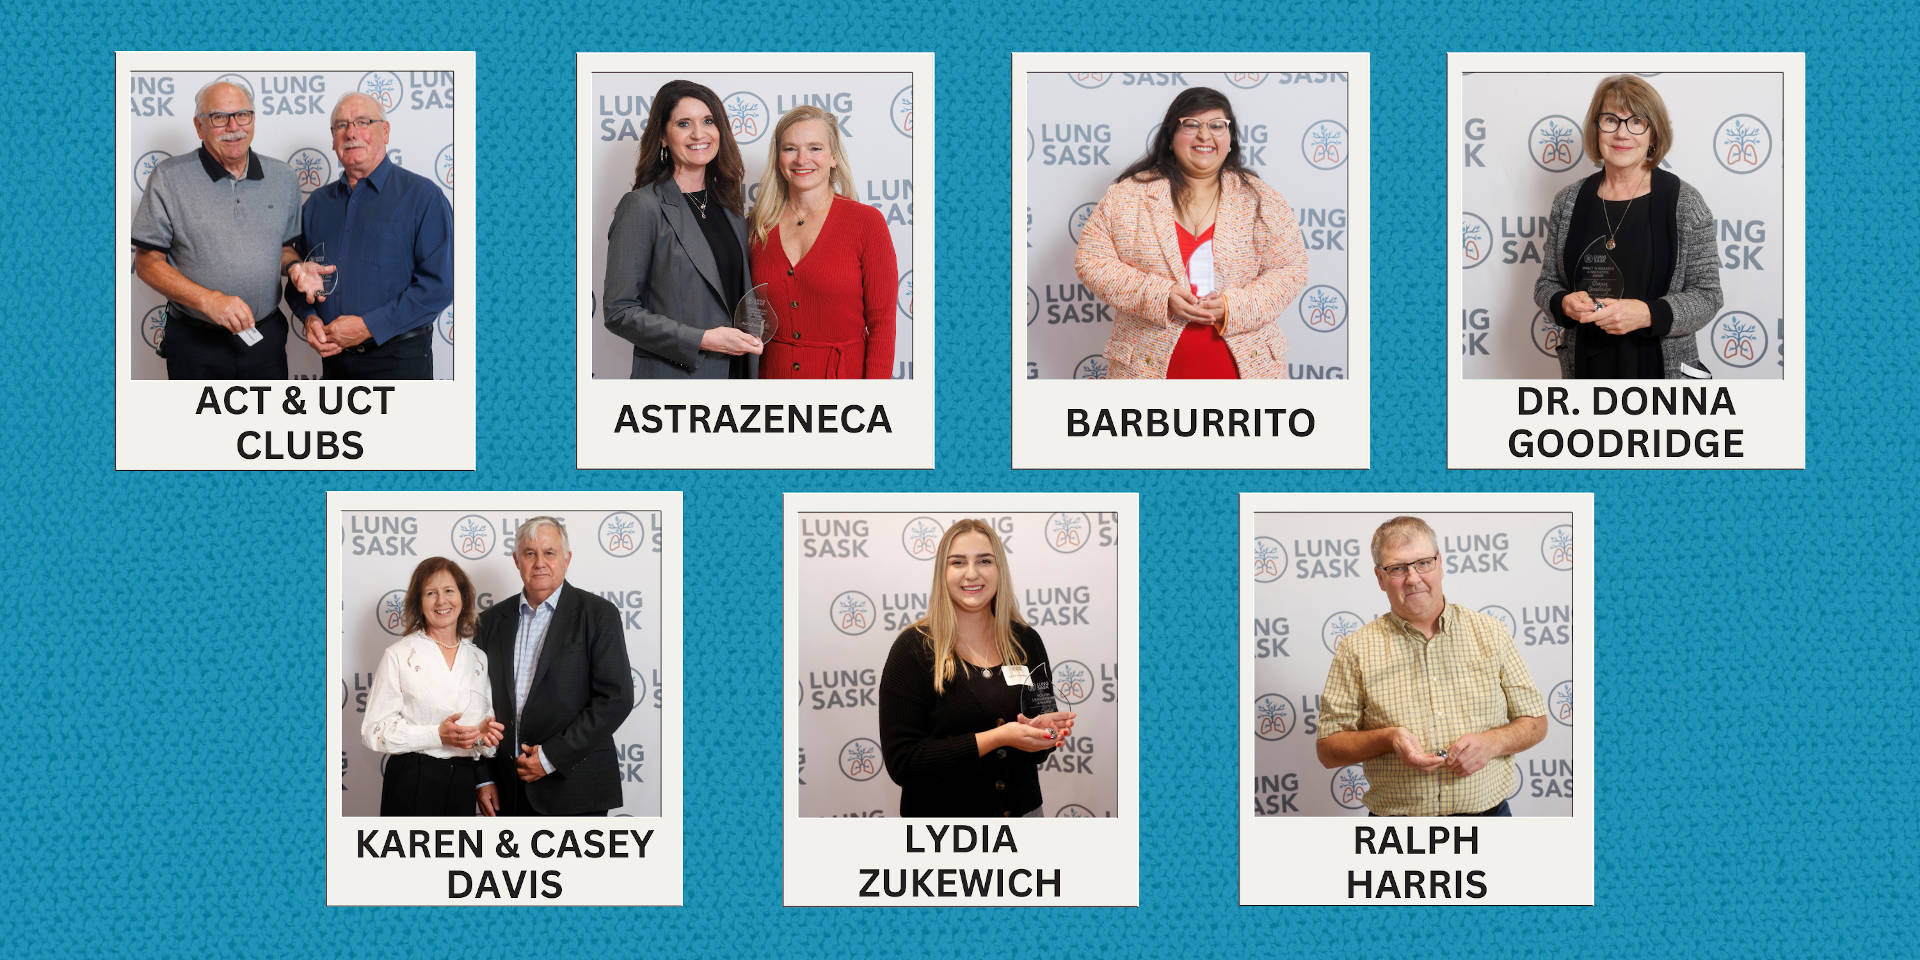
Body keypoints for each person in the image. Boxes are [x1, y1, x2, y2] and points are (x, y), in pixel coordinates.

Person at [1315, 517, 1548, 816]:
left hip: (1490, 820)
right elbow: (1328, 749)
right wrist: (1389, 738)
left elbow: (1536, 722)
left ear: (1440, 564)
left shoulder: (1490, 632)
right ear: (1380, 577)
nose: (1413, 578)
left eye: (1423, 563)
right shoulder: (1355, 649)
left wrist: (1492, 743)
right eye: (1397, 568)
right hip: (1397, 832)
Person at [1075, 87, 1309, 379]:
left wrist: (1233, 306)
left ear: (1229, 139)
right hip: (1144, 373)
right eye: (1191, 125)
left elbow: (1290, 269)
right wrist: (1159, 295)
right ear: (1171, 137)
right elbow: (1092, 261)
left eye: (1216, 126)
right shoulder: (1127, 196)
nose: (1204, 135)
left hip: (1246, 374)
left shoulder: (1262, 200)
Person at [878, 519, 1077, 817]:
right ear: (942, 573)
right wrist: (998, 737)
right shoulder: (912, 649)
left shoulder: (1026, 641)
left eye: (984, 560)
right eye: (958, 562)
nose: (972, 573)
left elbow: (1043, 743)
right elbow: (903, 763)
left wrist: (1045, 735)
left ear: (999, 570)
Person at [131, 80, 325, 378]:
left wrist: (296, 266)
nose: (233, 126)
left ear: (253, 119)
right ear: (199, 126)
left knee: (263, 425)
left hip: (265, 340)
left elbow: (284, 248)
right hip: (195, 343)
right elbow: (146, 263)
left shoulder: (283, 178)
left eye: (242, 115)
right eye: (219, 117)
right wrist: (209, 300)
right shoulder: (168, 178)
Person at [1534, 75, 1724, 379]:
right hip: (1586, 368)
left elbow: (1708, 295)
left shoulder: (1684, 202)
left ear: (1654, 134)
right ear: (1596, 130)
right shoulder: (1568, 201)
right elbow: (1547, 284)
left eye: (1636, 122)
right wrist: (1564, 303)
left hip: (1660, 373)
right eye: (1610, 120)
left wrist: (1648, 314)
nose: (1622, 133)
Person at [287, 92, 454, 379]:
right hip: (335, 363)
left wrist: (367, 327)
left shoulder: (423, 197)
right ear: (333, 138)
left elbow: (439, 286)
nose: (351, 133)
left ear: (385, 131)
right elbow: (299, 278)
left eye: (363, 121)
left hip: (400, 363)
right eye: (341, 125)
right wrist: (310, 317)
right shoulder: (317, 204)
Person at [474, 517, 633, 816]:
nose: (540, 563)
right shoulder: (490, 622)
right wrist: (483, 778)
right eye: (530, 553)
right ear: (516, 560)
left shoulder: (598, 615)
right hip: (507, 792)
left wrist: (550, 758)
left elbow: (616, 698)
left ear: (567, 558)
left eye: (549, 552)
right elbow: (476, 704)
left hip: (575, 788)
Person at [603, 80, 761, 378]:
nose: (699, 134)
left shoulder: (730, 208)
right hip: (677, 384)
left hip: (738, 378)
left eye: (708, 121)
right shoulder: (642, 206)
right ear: (663, 136)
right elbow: (619, 312)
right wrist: (703, 339)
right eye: (684, 123)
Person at [747, 105, 898, 379]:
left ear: (833, 158)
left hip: (844, 389)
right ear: (778, 158)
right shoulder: (757, 226)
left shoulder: (866, 222)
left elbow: (883, 326)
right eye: (790, 148)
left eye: (815, 148)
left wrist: (878, 399)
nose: (802, 159)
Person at [360, 557, 503, 815]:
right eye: (431, 593)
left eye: (449, 590)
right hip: (412, 779)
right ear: (418, 602)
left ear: (463, 597)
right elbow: (374, 730)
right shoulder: (399, 654)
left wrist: (483, 735)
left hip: (462, 782)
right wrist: (437, 734)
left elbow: (483, 732)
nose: (441, 601)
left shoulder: (478, 658)